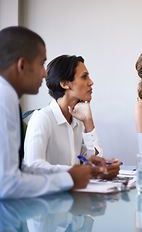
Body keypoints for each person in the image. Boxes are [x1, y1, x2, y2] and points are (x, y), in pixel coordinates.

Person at [0, 26, 107, 199]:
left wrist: (79, 171)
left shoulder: (8, 99)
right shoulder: (9, 103)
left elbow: (22, 170)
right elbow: (7, 184)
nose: (44, 73)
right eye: (41, 64)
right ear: (22, 65)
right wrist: (69, 178)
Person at [24, 55, 120, 178]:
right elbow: (33, 166)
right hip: (50, 195)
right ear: (65, 84)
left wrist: (88, 121)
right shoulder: (42, 118)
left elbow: (93, 159)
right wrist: (76, 171)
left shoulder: (78, 120)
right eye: (84, 77)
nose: (91, 82)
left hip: (74, 191)